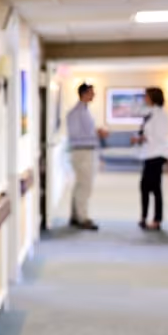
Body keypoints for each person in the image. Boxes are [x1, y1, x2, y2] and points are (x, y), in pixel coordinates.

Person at [66, 83, 108, 230]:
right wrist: (96, 134)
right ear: (84, 94)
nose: (94, 95)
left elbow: (84, 131)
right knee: (85, 185)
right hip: (82, 152)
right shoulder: (75, 113)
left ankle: (76, 215)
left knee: (80, 185)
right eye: (91, 92)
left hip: (86, 151)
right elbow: (77, 135)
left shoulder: (84, 111)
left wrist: (96, 132)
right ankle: (82, 218)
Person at [132, 87, 168, 231]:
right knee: (144, 187)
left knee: (154, 188)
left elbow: (160, 136)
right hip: (149, 154)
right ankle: (144, 217)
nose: (144, 99)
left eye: (146, 96)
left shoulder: (161, 114)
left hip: (157, 155)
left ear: (153, 98)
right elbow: (134, 111)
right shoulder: (150, 112)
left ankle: (156, 220)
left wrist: (142, 137)